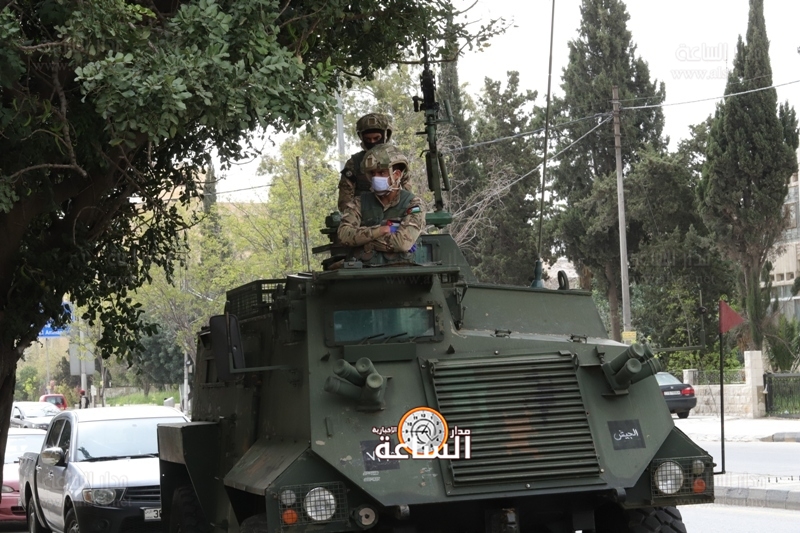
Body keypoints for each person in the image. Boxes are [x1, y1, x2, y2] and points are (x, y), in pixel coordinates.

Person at [337, 144, 425, 265]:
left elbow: (402, 243)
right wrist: (381, 230)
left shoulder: (413, 204)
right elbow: (344, 235)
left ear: (396, 175)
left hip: (402, 270)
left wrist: (364, 242)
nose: (375, 178)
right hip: (364, 271)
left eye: (381, 173)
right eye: (373, 173)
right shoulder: (359, 203)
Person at [337, 113, 412, 212]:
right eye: (368, 139)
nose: (372, 142)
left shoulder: (397, 159)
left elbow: (407, 191)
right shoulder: (354, 163)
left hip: (393, 212)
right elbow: (345, 200)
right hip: (363, 213)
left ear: (385, 136)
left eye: (376, 138)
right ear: (361, 137)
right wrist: (354, 215)